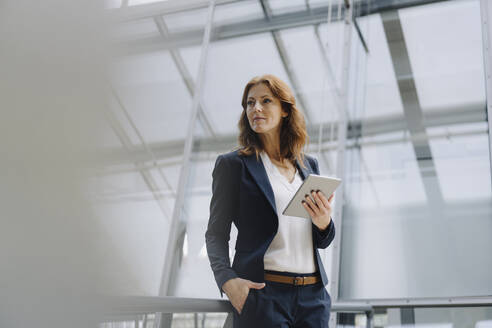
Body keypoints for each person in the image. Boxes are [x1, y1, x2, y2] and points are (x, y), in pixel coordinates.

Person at [205, 74, 336, 328]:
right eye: (250, 103)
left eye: (266, 101)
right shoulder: (233, 165)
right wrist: (227, 281)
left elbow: (323, 240)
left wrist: (323, 222)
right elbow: (215, 234)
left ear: (285, 109)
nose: (256, 108)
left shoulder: (308, 165)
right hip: (264, 295)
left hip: (313, 297)